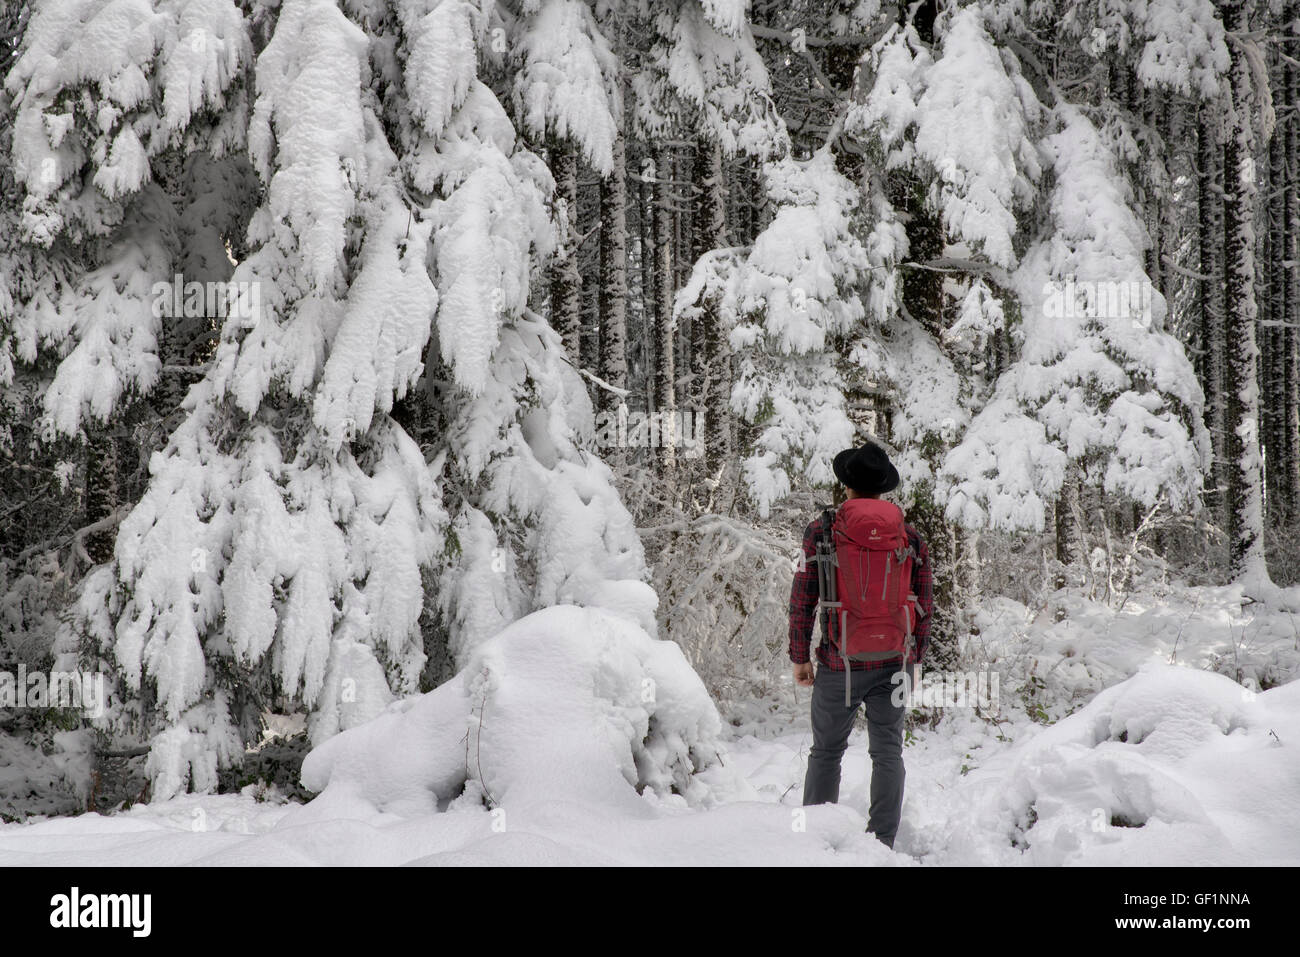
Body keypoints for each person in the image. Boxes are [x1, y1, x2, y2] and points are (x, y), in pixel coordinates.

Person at [787, 441, 933, 849]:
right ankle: (881, 843)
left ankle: (814, 843)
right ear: (884, 488)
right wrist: (914, 660)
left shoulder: (822, 530)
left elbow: (803, 598)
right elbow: (925, 603)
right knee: (888, 753)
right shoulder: (909, 535)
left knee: (826, 753)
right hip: (895, 662)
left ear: (846, 485)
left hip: (838, 662)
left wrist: (800, 656)